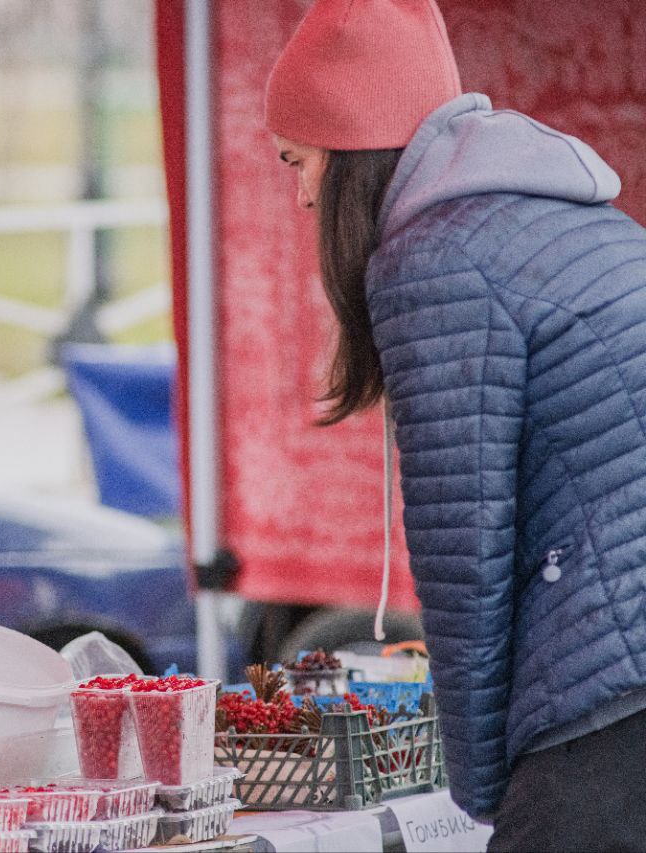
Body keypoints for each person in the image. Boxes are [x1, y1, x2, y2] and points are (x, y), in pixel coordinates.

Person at [264, 0, 646, 848]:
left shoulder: (433, 258)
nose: (298, 197)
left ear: (351, 145)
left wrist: (480, 792)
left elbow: (464, 550)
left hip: (611, 693)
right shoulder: (553, 210)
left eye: (299, 161)